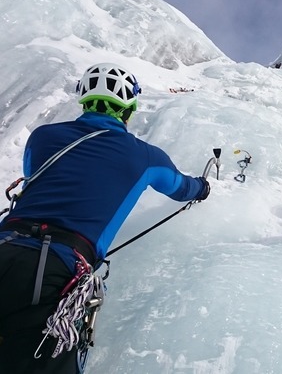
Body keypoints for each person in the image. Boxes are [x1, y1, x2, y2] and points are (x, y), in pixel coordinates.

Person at [0, 63, 210, 373]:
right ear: (130, 108)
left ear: (83, 100)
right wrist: (203, 188)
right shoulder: (145, 156)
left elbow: (34, 177)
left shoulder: (43, 137)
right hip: (55, 268)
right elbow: (180, 187)